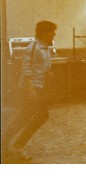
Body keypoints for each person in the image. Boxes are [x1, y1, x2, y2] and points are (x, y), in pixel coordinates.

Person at [3, 20, 57, 162]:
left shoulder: (44, 48)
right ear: (44, 32)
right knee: (40, 115)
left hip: (38, 87)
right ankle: (15, 146)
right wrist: (31, 89)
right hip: (30, 88)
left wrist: (47, 73)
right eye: (52, 31)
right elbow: (26, 69)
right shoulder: (33, 47)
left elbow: (40, 67)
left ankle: (8, 145)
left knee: (25, 117)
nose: (54, 35)